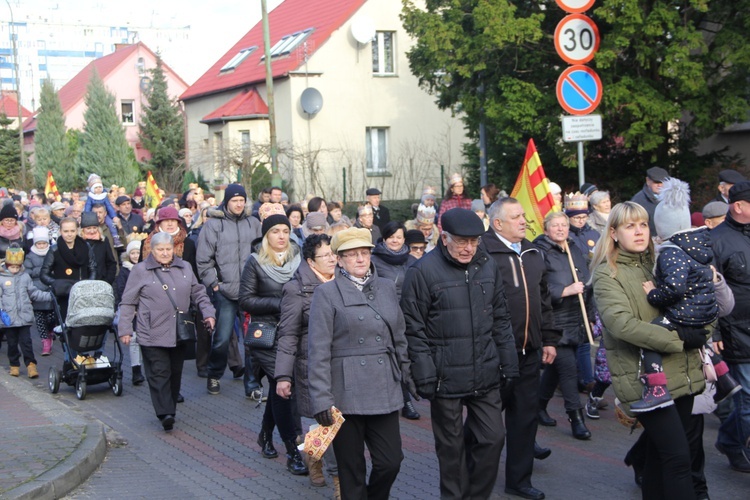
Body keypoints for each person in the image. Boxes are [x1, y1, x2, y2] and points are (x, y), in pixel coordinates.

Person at [401, 208, 518, 499]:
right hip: (444, 377)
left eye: (474, 242)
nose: (469, 248)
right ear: (444, 238)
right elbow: (413, 329)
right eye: (462, 242)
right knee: (451, 451)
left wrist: (509, 362)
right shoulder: (422, 271)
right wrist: (424, 374)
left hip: (485, 372)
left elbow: (501, 319)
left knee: (493, 439)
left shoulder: (488, 266)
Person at [591, 201, 704, 498]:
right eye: (630, 226)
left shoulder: (664, 261)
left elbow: (697, 305)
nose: (639, 232)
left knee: (658, 456)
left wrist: (704, 328)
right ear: (613, 233)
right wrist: (680, 339)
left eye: (643, 224)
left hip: (682, 372)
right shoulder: (607, 274)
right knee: (679, 459)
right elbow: (621, 325)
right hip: (645, 380)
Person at [308, 227, 414, 500]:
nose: (359, 259)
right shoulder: (327, 293)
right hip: (345, 393)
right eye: (352, 254)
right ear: (339, 259)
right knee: (351, 469)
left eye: (364, 253)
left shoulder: (387, 288)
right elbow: (318, 350)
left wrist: (408, 376)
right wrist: (320, 399)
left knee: (391, 461)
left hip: (384, 387)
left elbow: (399, 335)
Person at [480, 198, 560, 500]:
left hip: (529, 352)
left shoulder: (532, 252)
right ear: (497, 223)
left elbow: (544, 301)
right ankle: (471, 473)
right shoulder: (483, 253)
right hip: (495, 355)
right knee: (485, 424)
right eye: (516, 217)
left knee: (524, 419)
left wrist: (549, 338)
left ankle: (519, 480)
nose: (523, 221)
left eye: (523, 216)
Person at [639, 178, 740, 412]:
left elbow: (675, 287)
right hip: (704, 313)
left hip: (683, 315)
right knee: (702, 341)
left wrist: (654, 294)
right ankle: (725, 380)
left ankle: (656, 389)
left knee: (650, 336)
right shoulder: (698, 246)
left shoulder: (671, 252)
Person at [118, 232, 215, 432]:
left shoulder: (185, 267)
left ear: (174, 249)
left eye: (168, 249)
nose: (164, 253)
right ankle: (165, 413)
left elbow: (198, 293)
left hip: (179, 331)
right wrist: (125, 328)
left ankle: (169, 408)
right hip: (151, 331)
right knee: (158, 372)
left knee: (175, 372)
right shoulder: (140, 270)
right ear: (151, 251)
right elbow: (128, 301)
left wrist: (208, 313)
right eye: (159, 249)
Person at [238, 206, 307, 475]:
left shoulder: (298, 258)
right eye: (276, 231)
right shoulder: (255, 261)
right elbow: (246, 300)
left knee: (281, 390)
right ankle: (293, 451)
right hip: (266, 336)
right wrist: (280, 303)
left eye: (286, 231)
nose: (281, 236)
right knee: (284, 388)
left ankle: (265, 434)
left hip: (293, 334)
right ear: (266, 235)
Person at [275, 234, 340, 491]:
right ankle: (337, 481)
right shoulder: (296, 289)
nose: (332, 260)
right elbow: (288, 334)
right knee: (324, 424)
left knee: (335, 425)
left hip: (341, 364)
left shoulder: (344, 282)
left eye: (334, 254)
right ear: (311, 261)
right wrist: (282, 376)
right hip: (309, 366)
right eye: (326, 256)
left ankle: (314, 453)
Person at [534, 212, 594, 440]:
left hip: (575, 317)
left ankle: (538, 406)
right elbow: (536, 289)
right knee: (569, 369)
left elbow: (586, 284)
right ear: (546, 228)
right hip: (554, 321)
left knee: (554, 369)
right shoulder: (540, 252)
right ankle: (576, 418)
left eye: (563, 225)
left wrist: (588, 314)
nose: (560, 229)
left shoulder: (574, 249)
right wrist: (563, 291)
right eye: (555, 225)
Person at [197, 184, 261, 396]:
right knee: (222, 339)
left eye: (242, 200)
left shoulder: (253, 223)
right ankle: (214, 374)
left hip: (251, 291)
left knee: (252, 341)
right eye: (235, 200)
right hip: (225, 291)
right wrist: (215, 284)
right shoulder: (213, 225)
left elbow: (262, 253)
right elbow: (203, 260)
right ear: (226, 202)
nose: (239, 204)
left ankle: (252, 386)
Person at [711, 180, 750, 472]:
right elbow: (710, 291)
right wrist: (714, 333)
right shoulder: (718, 240)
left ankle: (727, 438)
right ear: (739, 206)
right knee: (747, 402)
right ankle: (733, 443)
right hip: (736, 333)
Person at [370, 221, 420, 420]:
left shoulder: (412, 260)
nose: (395, 241)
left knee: (408, 354)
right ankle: (405, 400)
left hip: (410, 314)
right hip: (386, 316)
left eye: (399, 237)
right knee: (395, 356)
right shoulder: (374, 260)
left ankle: (408, 392)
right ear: (384, 238)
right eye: (391, 237)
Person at [1, 245, 51, 378]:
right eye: (12, 267)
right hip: (9, 318)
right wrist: (1, 310)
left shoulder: (25, 277)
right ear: (7, 265)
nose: (15, 270)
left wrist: (49, 296)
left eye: (17, 267)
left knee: (26, 343)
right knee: (12, 344)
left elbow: (33, 292)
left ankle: (31, 365)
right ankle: (14, 365)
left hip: (24, 317)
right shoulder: (2, 278)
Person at [40, 217, 95, 320]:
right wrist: (56, 284)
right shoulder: (54, 250)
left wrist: (89, 284)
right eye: (66, 231)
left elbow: (92, 268)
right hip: (63, 295)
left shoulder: (85, 246)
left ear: (77, 231)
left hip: (83, 293)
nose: (69, 234)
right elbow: (43, 274)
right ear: (60, 231)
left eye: (72, 231)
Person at [114, 240, 145, 386]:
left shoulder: (145, 269)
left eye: (137, 252)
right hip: (132, 310)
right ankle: (136, 370)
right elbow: (121, 290)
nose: (135, 255)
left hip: (144, 310)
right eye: (132, 253)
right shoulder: (125, 271)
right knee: (134, 340)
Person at [23, 227, 56, 356]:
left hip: (50, 289)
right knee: (40, 319)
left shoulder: (53, 253)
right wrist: (42, 270)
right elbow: (27, 273)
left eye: (43, 243)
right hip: (36, 290)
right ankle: (45, 342)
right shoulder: (30, 257)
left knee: (52, 317)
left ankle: (51, 331)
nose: (41, 246)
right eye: (39, 243)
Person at [83, 174, 122, 248]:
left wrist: (113, 216)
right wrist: (86, 217)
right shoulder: (90, 197)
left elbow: (108, 206)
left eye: (100, 187)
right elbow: (87, 207)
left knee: (111, 224)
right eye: (96, 188)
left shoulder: (104, 196)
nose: (98, 189)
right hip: (92, 215)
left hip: (105, 214)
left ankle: (115, 238)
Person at [80, 213, 117, 284]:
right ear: (83, 229)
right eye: (88, 228)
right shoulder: (79, 242)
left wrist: (108, 280)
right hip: (83, 282)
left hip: (102, 281)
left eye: (94, 227)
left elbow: (111, 262)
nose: (92, 231)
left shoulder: (103, 240)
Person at [631, 166, 669, 234]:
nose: (660, 185)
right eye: (656, 182)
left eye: (662, 182)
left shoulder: (672, 198)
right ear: (648, 181)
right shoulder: (637, 201)